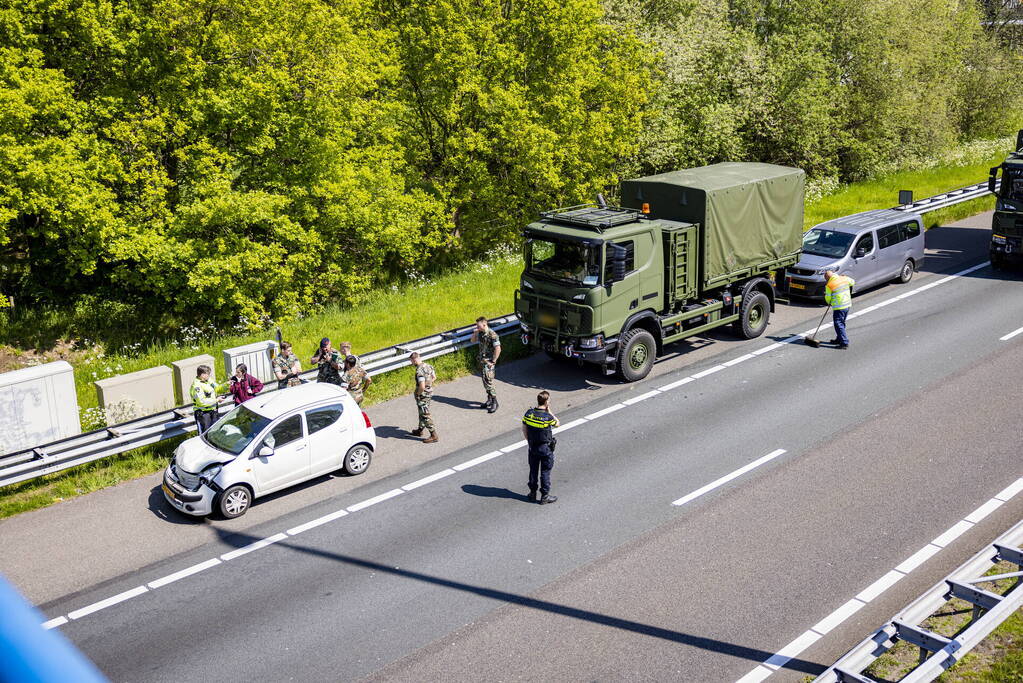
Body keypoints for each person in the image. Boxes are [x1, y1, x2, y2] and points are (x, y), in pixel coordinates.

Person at [521, 390, 560, 505]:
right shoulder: (547, 417)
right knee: (545, 472)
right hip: (545, 449)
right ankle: (544, 496)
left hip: (533, 447)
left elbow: (524, 429)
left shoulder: (529, 414)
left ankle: (532, 493)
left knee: (533, 471)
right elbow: (557, 423)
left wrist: (529, 441)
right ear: (547, 401)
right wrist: (550, 411)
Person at [470, 316, 501, 413]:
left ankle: (495, 402)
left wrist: (493, 361)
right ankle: (489, 400)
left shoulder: (492, 335)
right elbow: (472, 341)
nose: (477, 327)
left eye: (478, 326)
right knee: (485, 381)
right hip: (482, 361)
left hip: (489, 362)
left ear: (484, 324)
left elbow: (498, 349)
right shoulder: (480, 333)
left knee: (488, 382)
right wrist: (475, 333)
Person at [409, 352, 438, 443]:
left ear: (414, 360)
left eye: (411, 361)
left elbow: (421, 386)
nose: (411, 363)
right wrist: (428, 385)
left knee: (425, 414)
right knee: (422, 412)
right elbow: (434, 377)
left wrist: (418, 394)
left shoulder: (419, 371)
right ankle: (420, 430)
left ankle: (434, 435)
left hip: (423, 395)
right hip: (429, 393)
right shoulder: (428, 366)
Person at [824, 269, 855, 349]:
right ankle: (839, 339)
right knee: (841, 322)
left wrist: (829, 302)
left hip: (839, 307)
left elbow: (828, 297)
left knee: (838, 323)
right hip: (847, 304)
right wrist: (846, 277)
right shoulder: (844, 278)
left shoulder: (829, 285)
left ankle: (844, 342)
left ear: (827, 278)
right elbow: (853, 282)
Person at [190, 365, 226, 434]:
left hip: (213, 412)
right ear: (203, 375)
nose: (209, 375)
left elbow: (218, 388)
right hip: (203, 415)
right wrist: (216, 400)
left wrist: (227, 384)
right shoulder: (196, 386)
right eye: (208, 374)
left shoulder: (208, 380)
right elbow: (202, 402)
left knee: (215, 433)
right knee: (205, 434)